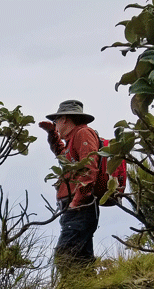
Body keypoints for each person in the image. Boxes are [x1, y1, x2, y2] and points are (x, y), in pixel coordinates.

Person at [39, 100, 100, 268]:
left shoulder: (83, 134)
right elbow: (63, 156)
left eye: (56, 121)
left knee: (66, 254)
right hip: (74, 207)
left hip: (80, 207)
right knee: (81, 258)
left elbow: (89, 168)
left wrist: (77, 201)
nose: (56, 125)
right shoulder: (73, 139)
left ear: (64, 119)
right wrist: (52, 134)